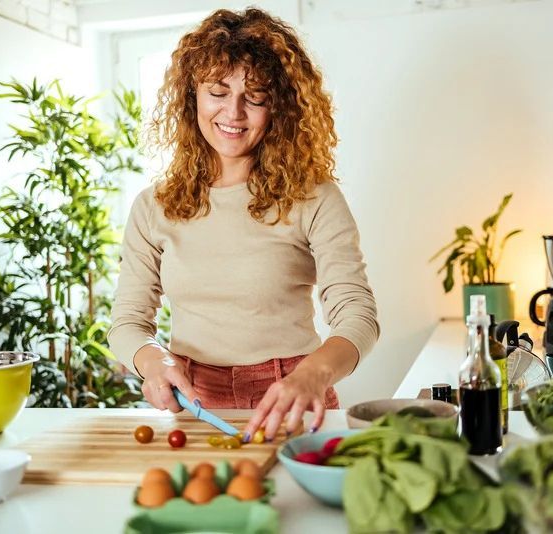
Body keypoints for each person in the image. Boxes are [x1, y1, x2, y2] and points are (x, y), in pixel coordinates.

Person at [108, 8, 379, 441]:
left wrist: (313, 375)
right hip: (195, 402)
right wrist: (154, 361)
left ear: (279, 106)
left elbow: (357, 315)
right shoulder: (153, 206)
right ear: (192, 96)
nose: (233, 112)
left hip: (291, 394)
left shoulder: (314, 197)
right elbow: (127, 321)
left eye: (255, 97)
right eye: (218, 92)